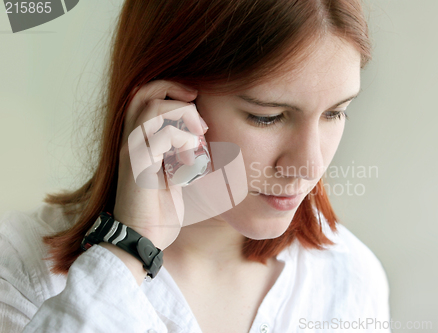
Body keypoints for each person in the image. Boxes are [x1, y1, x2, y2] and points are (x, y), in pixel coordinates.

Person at [0, 0, 390, 332]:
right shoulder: (20, 268)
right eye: (267, 116)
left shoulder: (349, 278)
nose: (310, 165)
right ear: (169, 102)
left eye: (335, 114)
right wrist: (129, 247)